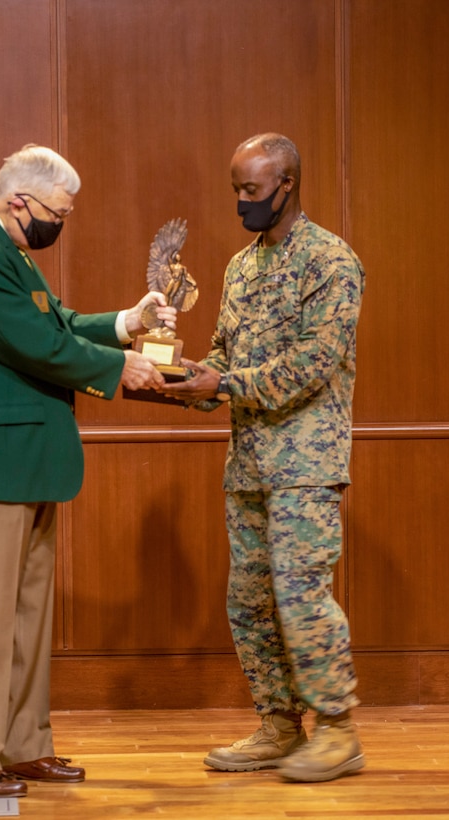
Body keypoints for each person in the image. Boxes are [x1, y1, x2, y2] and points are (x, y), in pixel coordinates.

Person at [0, 143, 176, 798]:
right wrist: (123, 370)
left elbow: (55, 322)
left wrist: (127, 323)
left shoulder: (9, 247)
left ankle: (24, 745)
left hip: (25, 457)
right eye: (57, 212)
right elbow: (29, 343)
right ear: (18, 201)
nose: (60, 222)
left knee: (28, 615)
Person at [160, 133, 365, 783]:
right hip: (249, 462)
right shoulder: (241, 267)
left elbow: (311, 366)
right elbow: (225, 354)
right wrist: (182, 377)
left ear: (287, 185)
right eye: (236, 191)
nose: (242, 202)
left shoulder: (331, 262)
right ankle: (280, 723)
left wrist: (220, 385)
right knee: (248, 599)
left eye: (251, 190)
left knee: (300, 593)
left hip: (306, 463)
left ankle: (337, 728)